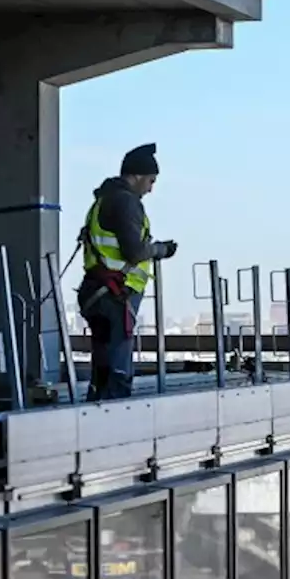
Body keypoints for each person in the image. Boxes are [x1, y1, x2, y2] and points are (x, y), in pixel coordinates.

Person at [77, 143, 178, 401]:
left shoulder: (103, 200)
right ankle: (113, 420)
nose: (151, 189)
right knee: (118, 366)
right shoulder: (126, 202)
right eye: (150, 181)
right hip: (115, 293)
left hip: (98, 290)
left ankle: (98, 412)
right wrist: (161, 250)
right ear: (135, 176)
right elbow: (134, 251)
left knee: (103, 364)